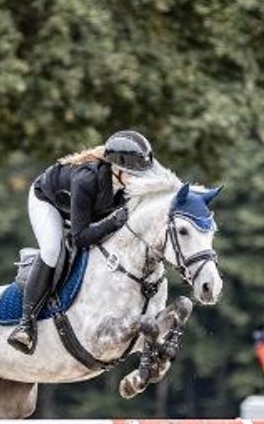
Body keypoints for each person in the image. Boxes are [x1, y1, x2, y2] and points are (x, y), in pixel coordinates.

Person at [8, 130, 155, 354]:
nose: (138, 179)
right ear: (116, 169)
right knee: (51, 251)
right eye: (133, 174)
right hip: (48, 202)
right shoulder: (86, 179)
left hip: (84, 210)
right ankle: (26, 324)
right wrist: (112, 223)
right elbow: (80, 237)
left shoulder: (125, 184)